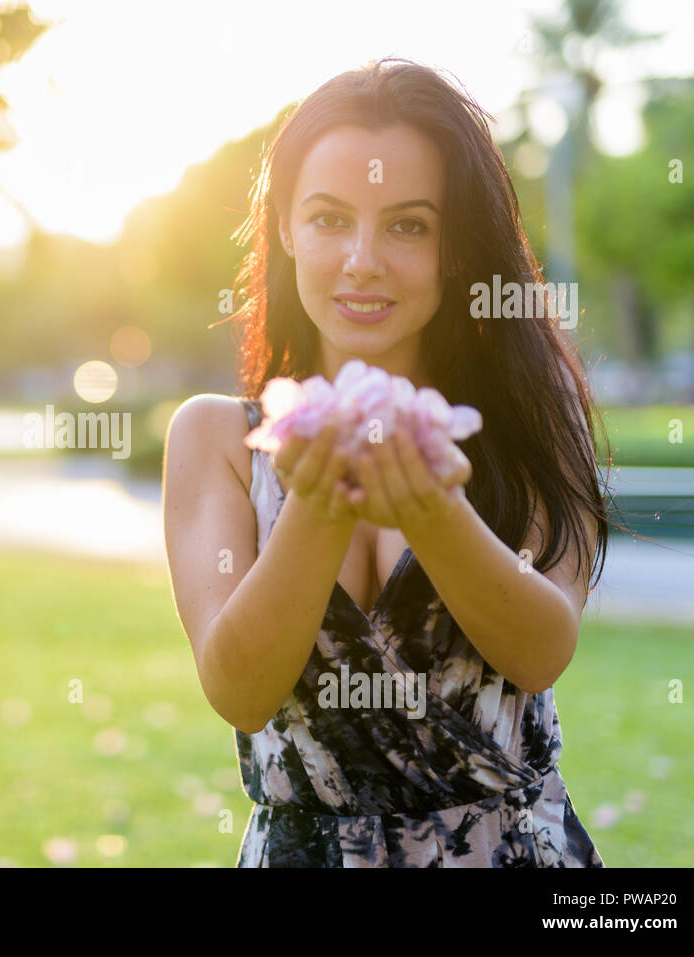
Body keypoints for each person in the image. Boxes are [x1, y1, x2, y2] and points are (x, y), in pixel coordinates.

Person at [162, 58, 611, 867]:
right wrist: (320, 498)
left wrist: (434, 508)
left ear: (454, 245)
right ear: (287, 229)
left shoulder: (530, 421)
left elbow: (541, 648)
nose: (362, 259)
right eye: (330, 219)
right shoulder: (216, 440)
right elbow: (238, 688)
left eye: (407, 225)